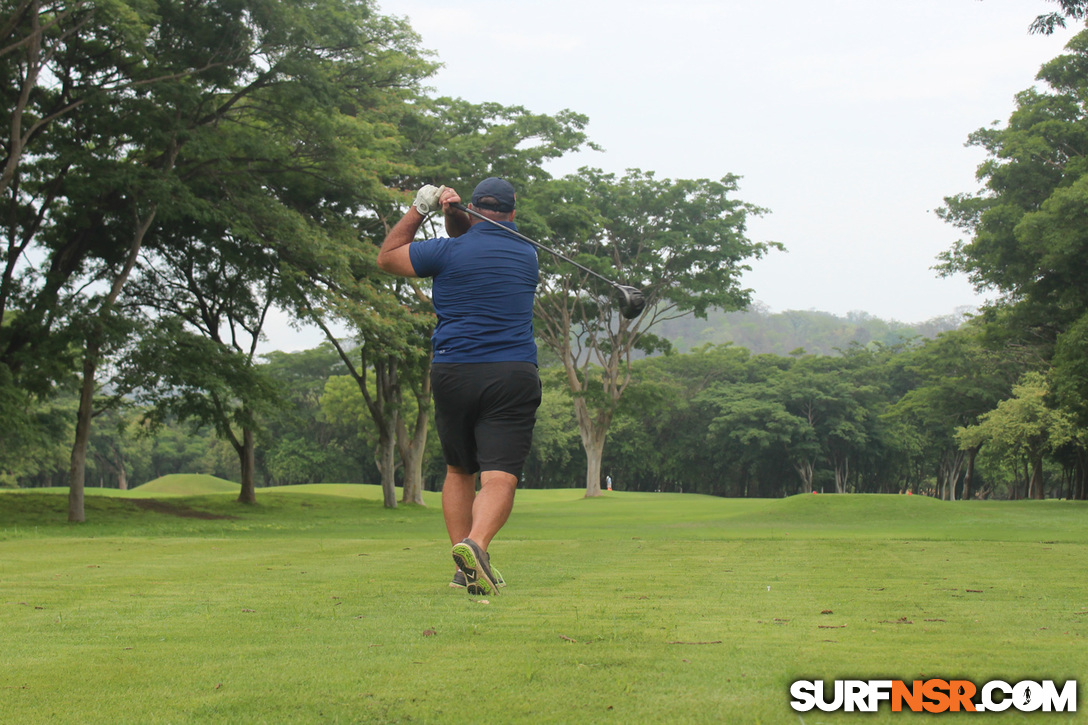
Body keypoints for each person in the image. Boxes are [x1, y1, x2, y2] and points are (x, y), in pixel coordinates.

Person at [376, 177, 541, 597]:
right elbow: (478, 240)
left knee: (458, 470)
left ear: (472, 208)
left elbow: (388, 257)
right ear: (513, 212)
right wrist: (456, 216)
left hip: (454, 370)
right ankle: (476, 545)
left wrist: (422, 209)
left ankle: (461, 567)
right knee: (499, 477)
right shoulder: (527, 253)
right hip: (511, 371)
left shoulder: (447, 251)